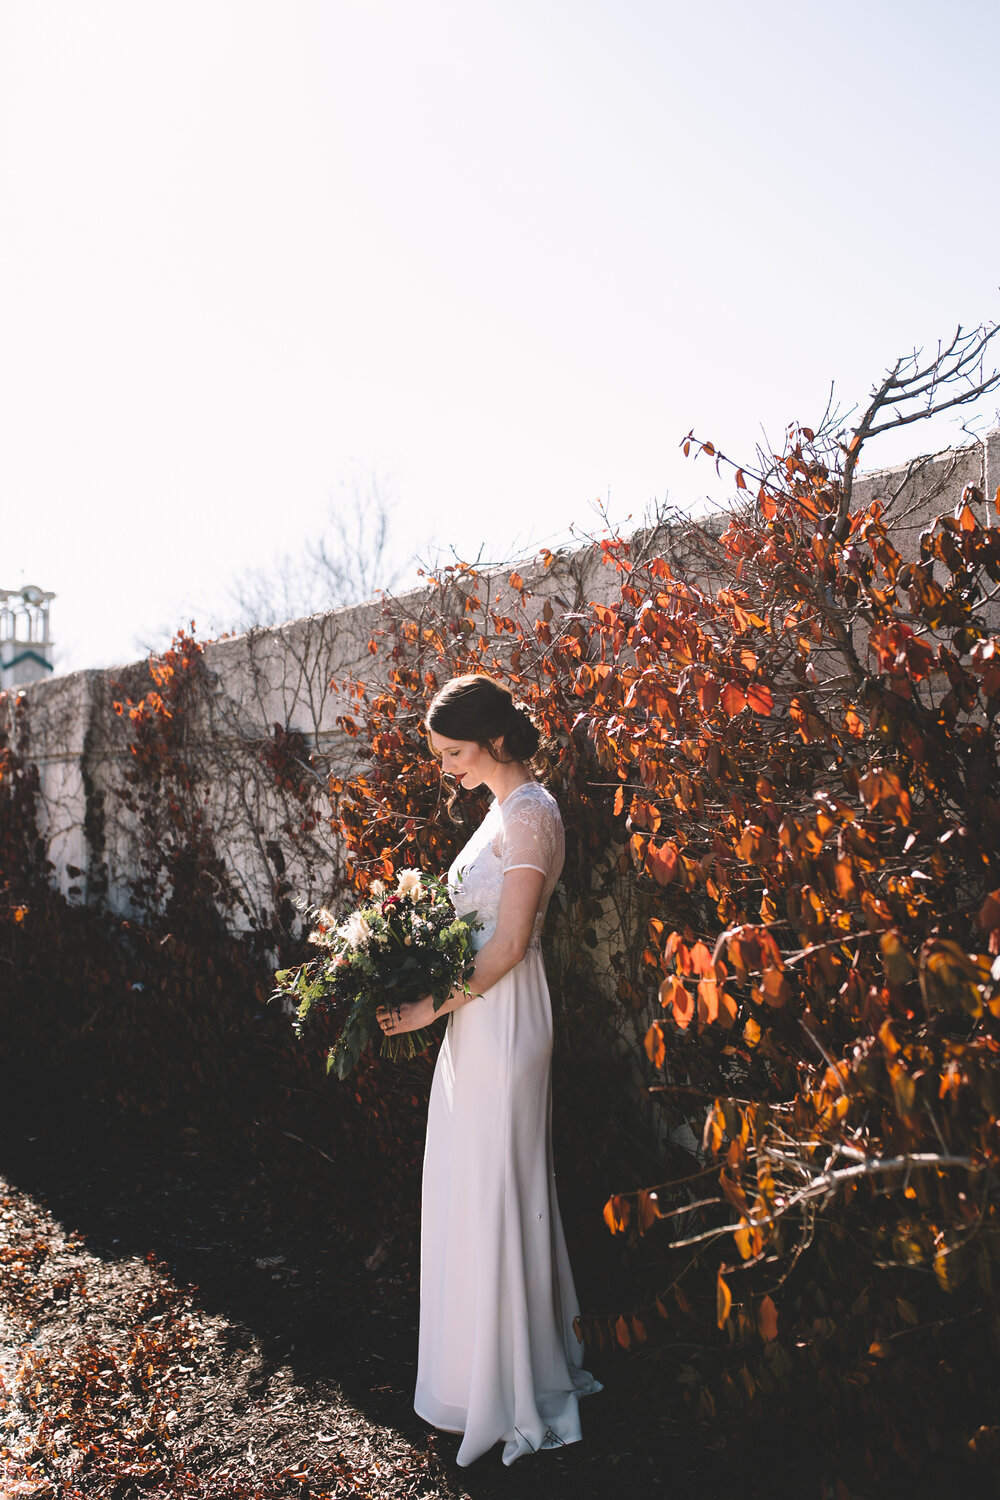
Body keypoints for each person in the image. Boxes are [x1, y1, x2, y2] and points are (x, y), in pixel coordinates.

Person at [376, 672, 601, 1467]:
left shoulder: (533, 813)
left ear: (496, 741)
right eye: (439, 755)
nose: (445, 767)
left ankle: (508, 1383)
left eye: (454, 752)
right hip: (473, 1014)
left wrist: (426, 1008)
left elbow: (507, 946)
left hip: (502, 1017)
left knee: (498, 1188)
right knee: (470, 1188)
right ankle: (474, 1373)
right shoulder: (498, 812)